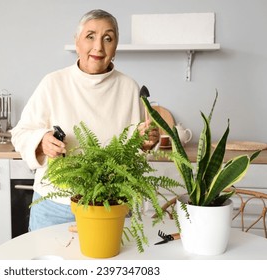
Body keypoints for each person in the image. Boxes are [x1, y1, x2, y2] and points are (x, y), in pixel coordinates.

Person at [11, 9, 158, 231]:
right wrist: (41, 141)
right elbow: (21, 133)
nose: (98, 47)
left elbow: (133, 150)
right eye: (90, 36)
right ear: (77, 42)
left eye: (107, 38)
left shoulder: (129, 87)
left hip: (111, 205)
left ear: (115, 47)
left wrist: (145, 142)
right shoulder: (53, 83)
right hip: (54, 206)